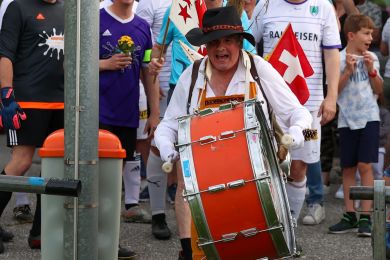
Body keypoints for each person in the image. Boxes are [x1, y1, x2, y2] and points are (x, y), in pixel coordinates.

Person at [154, 6, 312, 260]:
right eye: (213, 42)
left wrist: (295, 134)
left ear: (240, 42)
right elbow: (168, 125)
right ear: (205, 45)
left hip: (258, 190)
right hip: (205, 194)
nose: (220, 48)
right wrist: (165, 147)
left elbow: (300, 114)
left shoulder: (258, 70)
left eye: (228, 41)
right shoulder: (192, 75)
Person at [251, 0, 341, 226]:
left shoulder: (323, 7)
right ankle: (272, 221)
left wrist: (332, 96)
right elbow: (247, 45)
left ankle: (289, 225)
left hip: (310, 109)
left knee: (300, 164)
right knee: (268, 163)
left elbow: (332, 55)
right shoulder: (266, 4)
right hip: (271, 103)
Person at [0, 0, 65, 253]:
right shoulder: (19, 7)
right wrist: (6, 94)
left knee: (54, 165)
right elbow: (5, 54)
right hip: (27, 99)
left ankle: (39, 233)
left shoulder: (66, 10)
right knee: (21, 162)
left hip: (60, 102)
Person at [99, 0, 160, 258]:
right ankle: (87, 239)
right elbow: (71, 65)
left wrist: (155, 112)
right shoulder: (95, 20)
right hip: (97, 112)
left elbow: (148, 70)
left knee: (113, 182)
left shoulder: (142, 27)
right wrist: (105, 64)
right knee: (97, 178)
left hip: (127, 114)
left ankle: (109, 242)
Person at [328, 14, 383, 237]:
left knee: (365, 166)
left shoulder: (372, 57)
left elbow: (378, 89)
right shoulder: (338, 59)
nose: (370, 38)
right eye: (366, 33)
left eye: (371, 33)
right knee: (348, 167)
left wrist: (371, 70)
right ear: (351, 35)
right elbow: (333, 92)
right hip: (347, 120)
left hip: (369, 117)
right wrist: (348, 72)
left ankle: (366, 217)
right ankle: (349, 214)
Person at [136, 0, 174, 240]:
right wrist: (155, 109)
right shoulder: (173, 9)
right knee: (157, 147)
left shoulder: (225, 6)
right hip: (173, 90)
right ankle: (158, 215)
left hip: (213, 94)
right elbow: (152, 53)